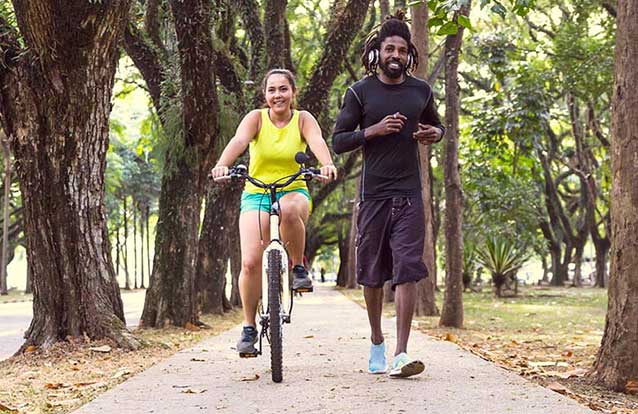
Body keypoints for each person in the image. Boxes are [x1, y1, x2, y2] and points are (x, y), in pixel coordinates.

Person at [332, 13, 445, 378]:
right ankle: (377, 340)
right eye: (389, 48)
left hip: (410, 194)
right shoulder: (359, 92)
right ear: (378, 53)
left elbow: (438, 125)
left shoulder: (421, 91)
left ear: (409, 54)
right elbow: (338, 141)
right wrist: (374, 130)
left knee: (407, 269)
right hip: (373, 195)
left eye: (401, 49)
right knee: (371, 275)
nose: (395, 54)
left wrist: (434, 134)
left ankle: (401, 353)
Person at [211, 68, 338, 356]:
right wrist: (222, 164)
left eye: (283, 89)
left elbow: (316, 140)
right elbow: (239, 141)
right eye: (272, 90)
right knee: (250, 263)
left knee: (288, 209)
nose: (277, 95)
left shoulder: (303, 119)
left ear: (293, 93)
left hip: (293, 190)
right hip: (256, 193)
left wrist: (326, 163)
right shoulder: (255, 118)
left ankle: (297, 268)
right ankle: (248, 327)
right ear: (265, 95)